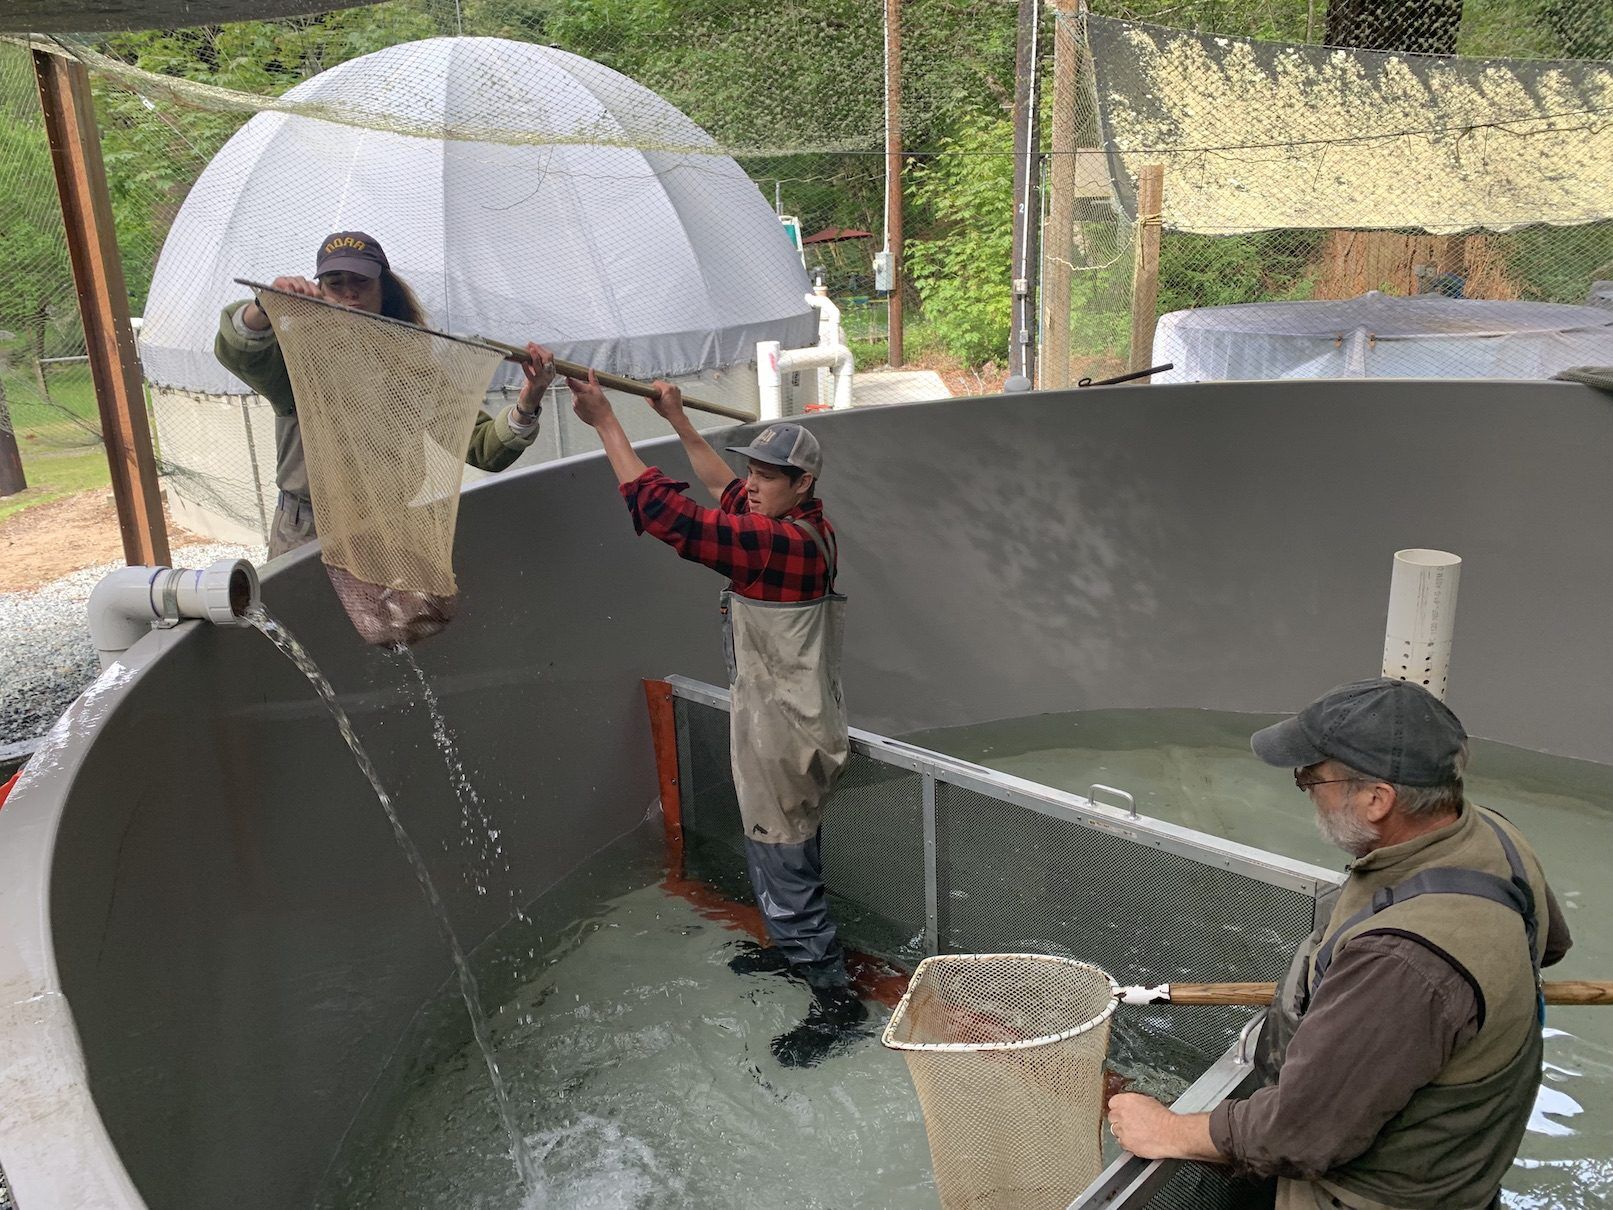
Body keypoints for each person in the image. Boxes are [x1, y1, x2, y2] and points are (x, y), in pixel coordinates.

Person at [1109, 676, 1572, 1210]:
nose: (1305, 786)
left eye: (1312, 776)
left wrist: (1167, 1128)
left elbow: (1298, 1136)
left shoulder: (1403, 964)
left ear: (1377, 799)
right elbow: (1549, 944)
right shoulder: (1495, 836)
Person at [567, 370, 864, 1067]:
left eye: (771, 476)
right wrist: (676, 419)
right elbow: (717, 488)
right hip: (783, 714)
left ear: (804, 487)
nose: (752, 485)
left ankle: (834, 999)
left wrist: (607, 423)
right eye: (752, 471)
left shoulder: (778, 547)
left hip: (785, 730)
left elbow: (675, 519)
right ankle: (796, 954)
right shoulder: (791, 525)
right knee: (778, 850)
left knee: (783, 857)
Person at [215, 230, 556, 559]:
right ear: (319, 289)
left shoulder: (417, 363)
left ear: (384, 288)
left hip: (390, 529)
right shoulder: (300, 356)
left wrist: (529, 400)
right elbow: (243, 352)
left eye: (361, 282)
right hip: (309, 530)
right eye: (336, 284)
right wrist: (264, 308)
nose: (350, 294)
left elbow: (481, 447)